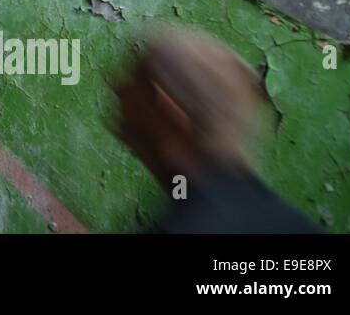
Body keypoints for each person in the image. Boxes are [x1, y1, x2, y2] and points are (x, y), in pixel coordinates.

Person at [112, 29, 322, 233]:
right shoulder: (280, 217)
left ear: (166, 108)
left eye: (133, 84)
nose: (119, 91)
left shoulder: (188, 226)